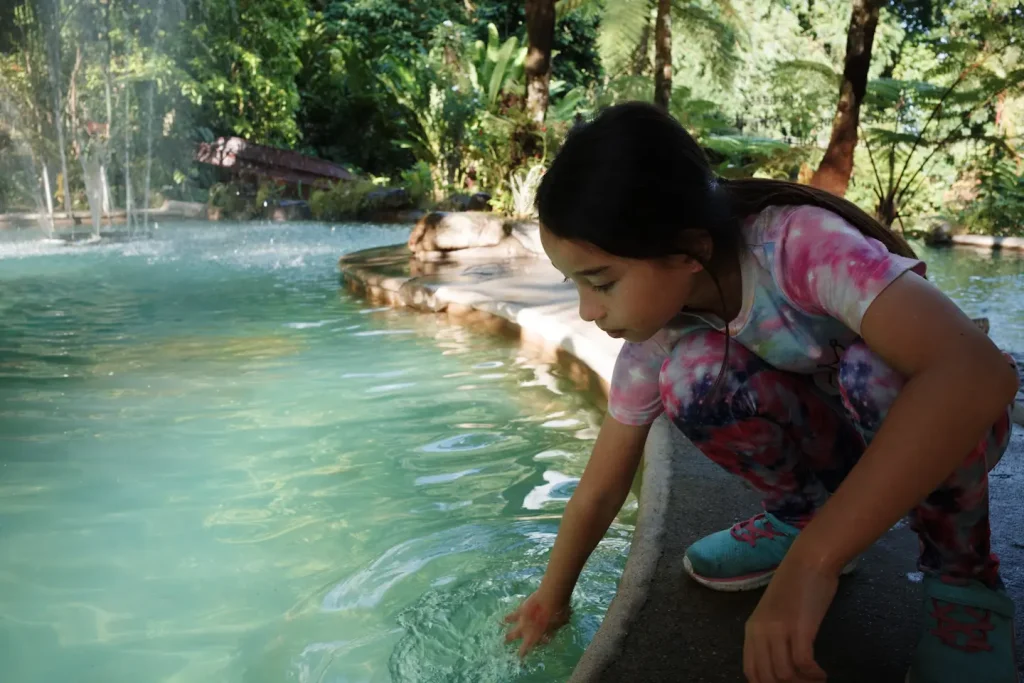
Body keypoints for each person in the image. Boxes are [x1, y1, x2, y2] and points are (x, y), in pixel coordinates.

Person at [502, 102, 1020, 683]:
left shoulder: (798, 246)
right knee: (693, 376)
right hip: (848, 443)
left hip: (947, 427)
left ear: (689, 252)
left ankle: (965, 584)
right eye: (576, 284)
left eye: (601, 282)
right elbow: (599, 489)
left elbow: (977, 376)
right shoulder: (660, 336)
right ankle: (803, 516)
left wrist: (813, 565)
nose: (588, 311)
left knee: (872, 371)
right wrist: (552, 598)